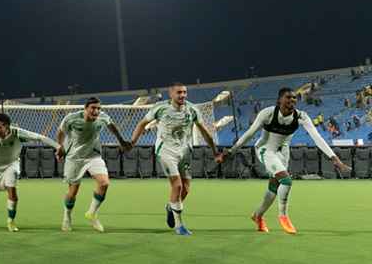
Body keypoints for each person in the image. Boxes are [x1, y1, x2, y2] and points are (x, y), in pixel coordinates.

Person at [218, 87, 351, 234]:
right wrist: (231, 151)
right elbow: (249, 134)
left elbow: (317, 137)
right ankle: (283, 216)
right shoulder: (268, 113)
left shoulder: (301, 116)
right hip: (265, 150)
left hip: (283, 153)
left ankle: (257, 216)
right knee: (286, 180)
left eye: (294, 98)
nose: (292, 100)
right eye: (288, 97)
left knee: (273, 188)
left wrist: (334, 158)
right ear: (279, 100)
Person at [128, 83, 220, 235]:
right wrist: (132, 142)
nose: (182, 95)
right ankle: (179, 225)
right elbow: (142, 124)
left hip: (185, 151)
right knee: (177, 186)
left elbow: (204, 131)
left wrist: (215, 151)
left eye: (184, 92)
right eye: (179, 92)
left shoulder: (192, 109)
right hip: (166, 151)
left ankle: (171, 206)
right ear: (171, 94)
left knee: (186, 189)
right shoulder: (160, 108)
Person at [0, 112, 59, 232]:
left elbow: (40, 137)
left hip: (11, 165)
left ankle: (11, 221)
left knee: (12, 190)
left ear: (6, 126)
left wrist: (58, 147)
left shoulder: (17, 133)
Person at [55, 97, 131, 233]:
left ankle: (92, 213)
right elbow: (60, 132)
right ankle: (67, 216)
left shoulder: (103, 117)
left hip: (93, 155)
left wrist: (121, 141)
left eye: (98, 108)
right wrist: (60, 147)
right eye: (93, 108)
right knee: (73, 192)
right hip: (74, 158)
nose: (96, 111)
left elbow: (113, 128)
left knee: (104, 183)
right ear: (85, 108)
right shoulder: (71, 118)